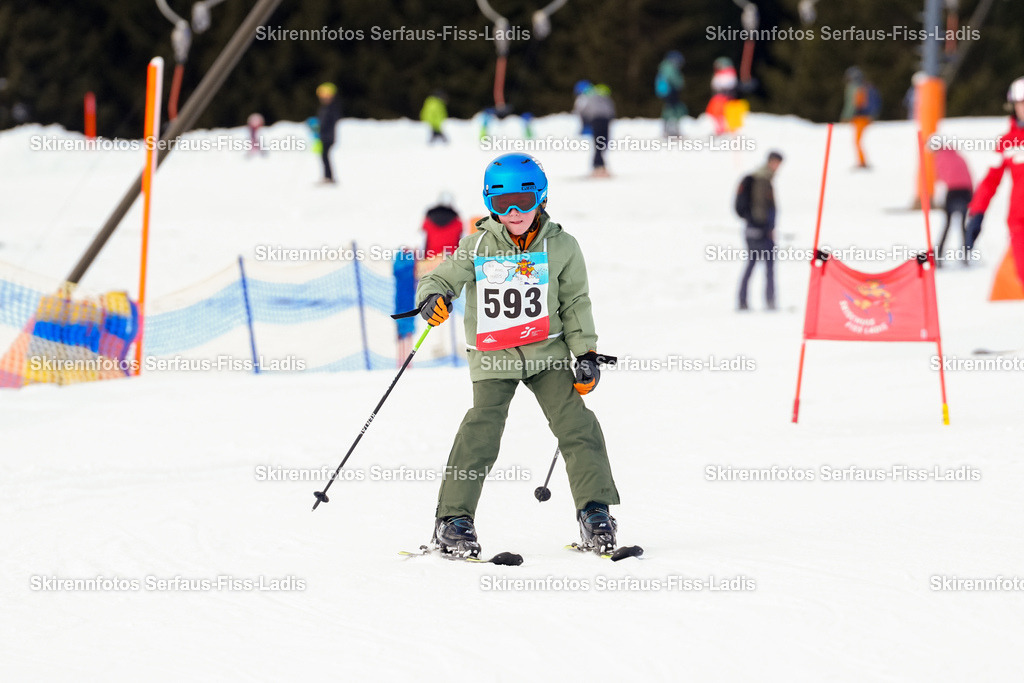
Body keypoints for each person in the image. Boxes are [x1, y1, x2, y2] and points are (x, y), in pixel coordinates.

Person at [415, 153, 621, 558]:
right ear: (489, 204)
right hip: (493, 357)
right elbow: (440, 278)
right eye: (501, 203)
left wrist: (586, 354)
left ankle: (595, 512)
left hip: (547, 354)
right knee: (481, 430)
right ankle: (453, 520)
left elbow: (576, 303)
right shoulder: (475, 245)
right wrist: (432, 297)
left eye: (524, 203)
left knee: (577, 425)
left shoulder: (562, 246)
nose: (513, 212)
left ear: (541, 199)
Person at [966, 76, 1024, 286]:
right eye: (1022, 103)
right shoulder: (1006, 143)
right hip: (1020, 223)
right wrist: (977, 213)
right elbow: (990, 181)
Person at [737, 151, 783, 311]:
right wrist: (766, 228)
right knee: (765, 266)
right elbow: (761, 207)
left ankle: (743, 301)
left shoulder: (762, 177)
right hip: (760, 231)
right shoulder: (762, 179)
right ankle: (768, 302)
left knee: (753, 264)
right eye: (776, 163)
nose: (777, 167)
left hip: (754, 230)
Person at [932, 145, 974, 266]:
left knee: (947, 225)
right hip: (966, 192)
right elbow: (969, 176)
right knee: (962, 226)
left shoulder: (939, 157)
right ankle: (966, 255)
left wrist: (938, 198)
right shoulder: (960, 157)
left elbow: (939, 177)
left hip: (952, 192)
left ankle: (939, 256)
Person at [840, 67, 881, 169]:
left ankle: (862, 162)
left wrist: (845, 116)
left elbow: (851, 104)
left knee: (857, 141)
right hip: (867, 117)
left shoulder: (854, 88)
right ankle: (862, 161)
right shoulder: (867, 86)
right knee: (858, 140)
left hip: (859, 117)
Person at [576, 84, 615, 177]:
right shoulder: (606, 99)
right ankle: (598, 166)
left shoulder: (590, 98)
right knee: (602, 144)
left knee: (599, 144)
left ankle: (599, 165)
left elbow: (583, 110)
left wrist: (585, 122)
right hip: (603, 121)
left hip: (596, 120)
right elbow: (611, 111)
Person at [422, 192, 464, 260]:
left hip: (430, 261)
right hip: (451, 261)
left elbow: (422, 243)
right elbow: (462, 244)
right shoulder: (458, 223)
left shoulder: (427, 222)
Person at [655, 51, 686, 137]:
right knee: (673, 110)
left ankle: (667, 129)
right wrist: (679, 84)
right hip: (671, 91)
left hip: (665, 92)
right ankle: (672, 130)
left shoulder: (663, 67)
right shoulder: (669, 68)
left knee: (669, 108)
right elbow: (675, 80)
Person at [316, 82, 341, 183]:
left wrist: (318, 128)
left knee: (325, 156)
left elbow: (325, 123)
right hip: (324, 136)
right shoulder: (326, 108)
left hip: (327, 137)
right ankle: (327, 176)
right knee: (324, 156)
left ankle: (328, 177)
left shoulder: (331, 108)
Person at [707, 57, 739, 135]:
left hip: (724, 98)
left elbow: (723, 85)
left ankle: (724, 130)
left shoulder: (728, 74)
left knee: (722, 114)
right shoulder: (720, 74)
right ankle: (719, 129)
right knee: (715, 114)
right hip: (718, 98)